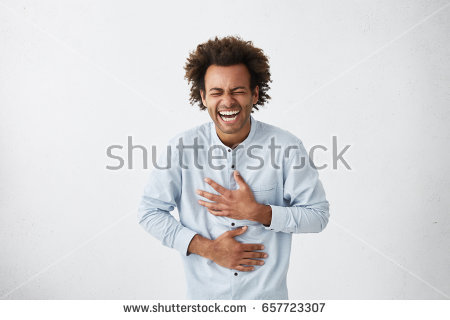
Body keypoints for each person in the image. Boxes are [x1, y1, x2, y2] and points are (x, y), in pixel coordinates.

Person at [138, 36, 330, 299]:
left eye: (238, 90)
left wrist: (260, 213)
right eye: (217, 92)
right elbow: (149, 212)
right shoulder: (181, 147)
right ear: (204, 97)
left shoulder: (287, 146)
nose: (227, 101)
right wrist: (207, 248)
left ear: (254, 94)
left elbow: (318, 216)